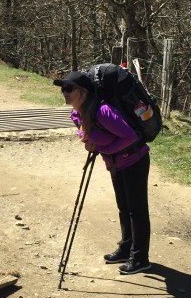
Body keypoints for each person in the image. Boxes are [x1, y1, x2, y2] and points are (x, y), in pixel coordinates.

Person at [54, 70, 152, 275]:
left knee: (137, 210)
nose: (65, 92)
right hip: (117, 162)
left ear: (83, 92)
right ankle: (126, 249)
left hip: (135, 160)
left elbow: (130, 136)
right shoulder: (77, 114)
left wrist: (102, 148)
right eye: (63, 89)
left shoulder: (102, 111)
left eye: (69, 88)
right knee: (124, 208)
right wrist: (90, 143)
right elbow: (87, 135)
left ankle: (140, 258)